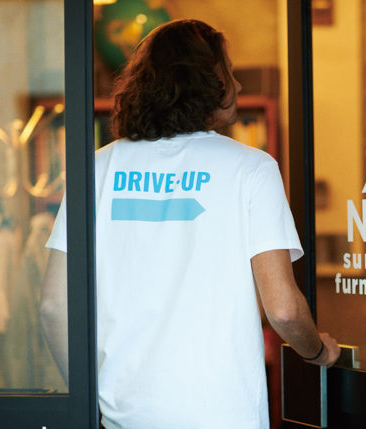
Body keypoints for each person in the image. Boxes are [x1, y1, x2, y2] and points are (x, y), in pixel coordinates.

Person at [40, 19, 340, 429]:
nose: (237, 84)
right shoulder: (252, 169)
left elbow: (54, 306)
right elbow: (284, 310)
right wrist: (318, 352)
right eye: (228, 71)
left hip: (123, 419)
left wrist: (89, 399)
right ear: (205, 82)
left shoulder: (96, 169)